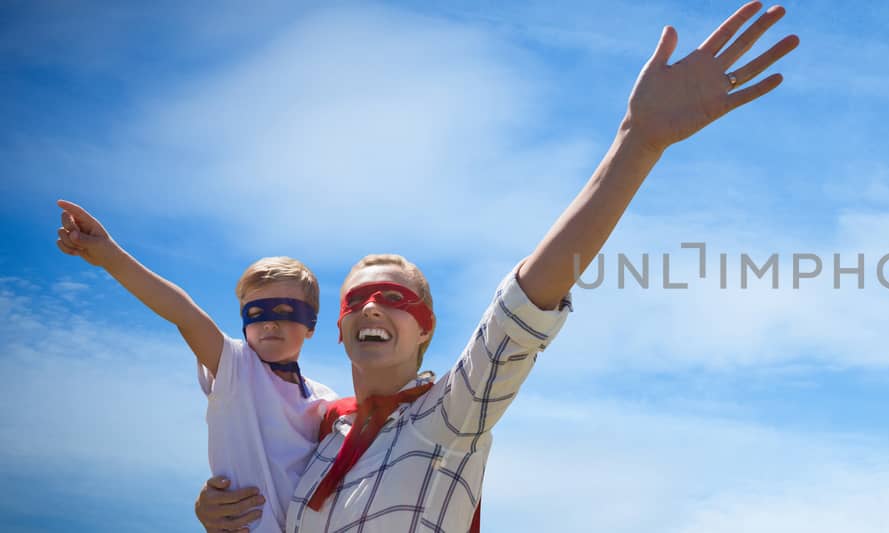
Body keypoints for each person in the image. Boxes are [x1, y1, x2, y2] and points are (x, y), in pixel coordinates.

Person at [194, 2, 799, 531]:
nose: (372, 305)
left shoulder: (447, 419)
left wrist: (636, 142)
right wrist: (214, 509)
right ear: (339, 330)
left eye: (395, 298)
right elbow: (255, 479)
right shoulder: (315, 441)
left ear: (427, 328)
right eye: (356, 300)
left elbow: (523, 309)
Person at [54, 200, 340, 532]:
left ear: (312, 325)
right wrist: (111, 256)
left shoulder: (326, 401)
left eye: (285, 311)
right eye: (257, 315)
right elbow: (183, 313)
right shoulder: (236, 368)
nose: (269, 325)